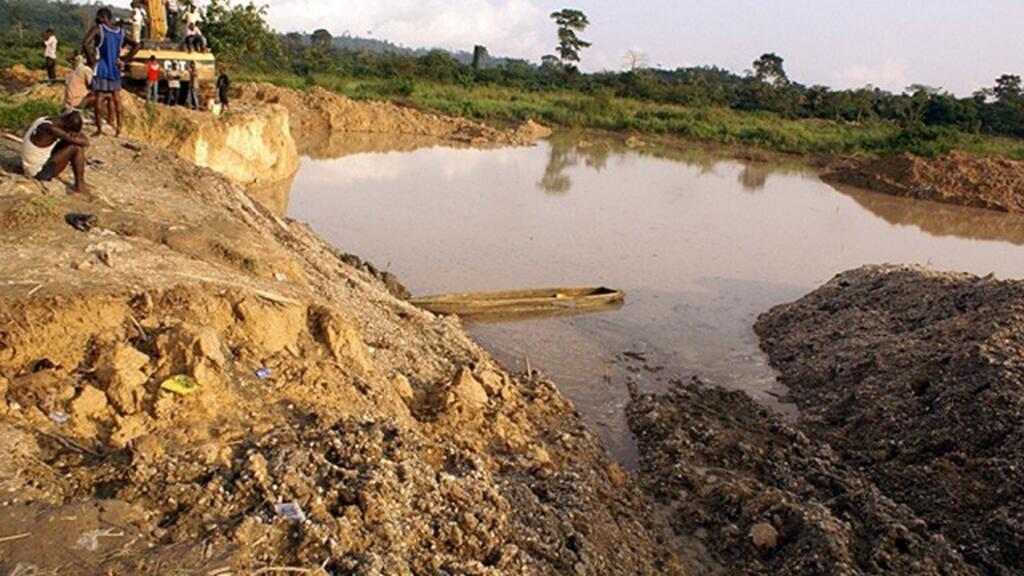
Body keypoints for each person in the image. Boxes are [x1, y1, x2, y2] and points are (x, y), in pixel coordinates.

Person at [82, 8, 140, 137]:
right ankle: (119, 129)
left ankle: (99, 129)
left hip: (102, 67)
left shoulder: (98, 29)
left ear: (102, 16)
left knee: (99, 98)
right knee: (116, 99)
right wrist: (125, 60)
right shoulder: (120, 32)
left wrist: (92, 61)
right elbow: (137, 45)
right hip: (115, 68)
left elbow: (85, 44)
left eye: (98, 17)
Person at [21, 111, 90, 195]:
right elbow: (85, 142)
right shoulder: (51, 129)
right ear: (67, 126)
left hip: (30, 167)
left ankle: (79, 184)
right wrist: (77, 135)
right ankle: (79, 185)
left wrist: (73, 134)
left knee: (68, 142)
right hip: (38, 173)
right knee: (76, 148)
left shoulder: (45, 120)